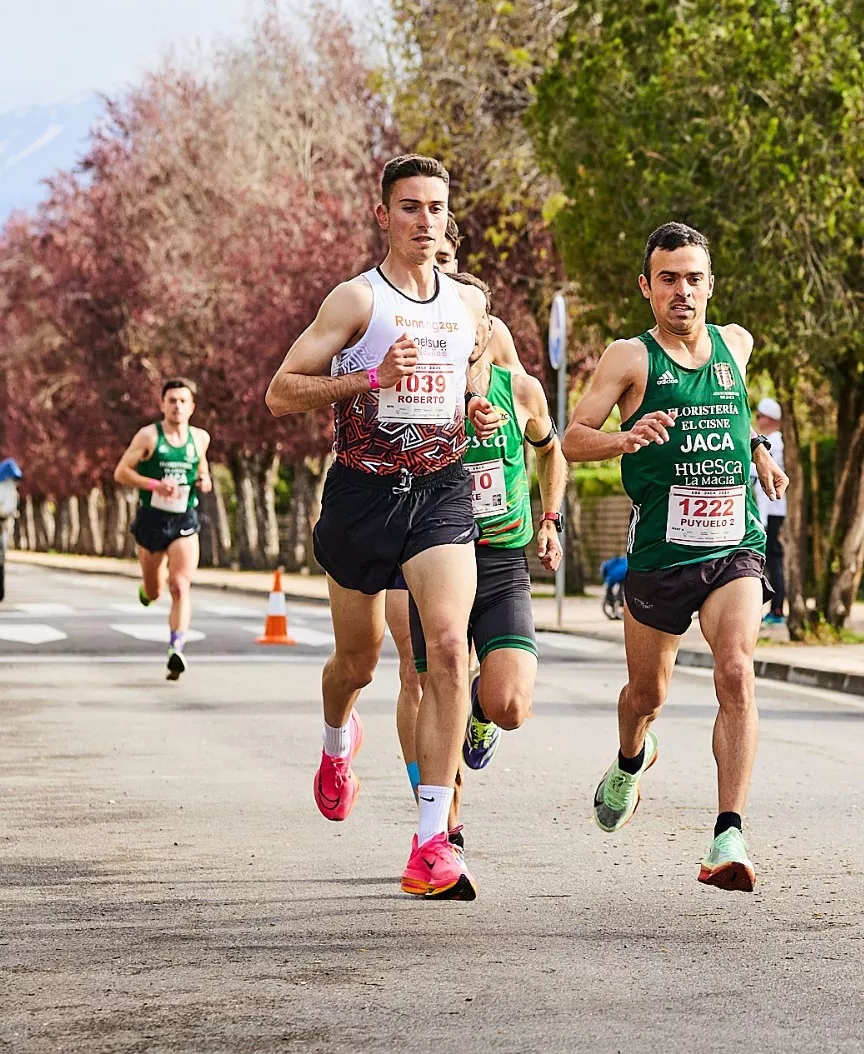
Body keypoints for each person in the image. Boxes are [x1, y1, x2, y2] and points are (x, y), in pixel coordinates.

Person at [264, 153, 499, 901]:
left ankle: (432, 839)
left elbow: (477, 374)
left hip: (440, 494)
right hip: (364, 500)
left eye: (436, 208)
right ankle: (338, 740)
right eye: (410, 207)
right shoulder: (357, 301)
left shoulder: (468, 308)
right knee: (358, 664)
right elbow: (280, 392)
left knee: (446, 653)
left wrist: (478, 406)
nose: (425, 221)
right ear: (384, 216)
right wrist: (368, 378)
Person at [561, 221, 788, 893]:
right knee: (647, 694)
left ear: (711, 284)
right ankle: (632, 758)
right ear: (647, 288)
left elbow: (733, 414)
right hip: (661, 554)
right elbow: (573, 439)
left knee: (737, 671)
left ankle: (729, 833)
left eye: (693, 278)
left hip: (733, 545)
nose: (682, 291)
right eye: (668, 279)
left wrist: (757, 452)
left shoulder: (735, 345)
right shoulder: (630, 358)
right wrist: (624, 439)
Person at [386, 271, 567, 851]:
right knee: (438, 679)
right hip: (437, 558)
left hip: (501, 562)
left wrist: (549, 519)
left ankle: (481, 718)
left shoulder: (522, 389)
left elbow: (551, 453)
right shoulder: (420, 394)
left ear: (487, 328)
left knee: (509, 704)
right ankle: (446, 827)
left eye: (474, 319)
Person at [113, 378, 212, 681]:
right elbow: (121, 473)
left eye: (183, 401)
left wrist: (205, 482)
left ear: (192, 407)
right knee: (156, 591)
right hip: (152, 520)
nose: (177, 406)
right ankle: (146, 588)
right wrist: (155, 484)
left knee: (180, 585)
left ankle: (176, 649)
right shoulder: (149, 437)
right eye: (171, 401)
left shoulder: (200, 438)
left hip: (184, 519)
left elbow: (202, 470)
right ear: (162, 405)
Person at [751, 397, 788, 625]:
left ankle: (777, 610)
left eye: (760, 416)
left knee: (772, 560)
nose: (757, 420)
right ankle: (772, 609)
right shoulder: (767, 442)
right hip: (764, 512)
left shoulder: (774, 444)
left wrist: (761, 519)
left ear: (771, 420)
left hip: (771, 512)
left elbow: (762, 480)